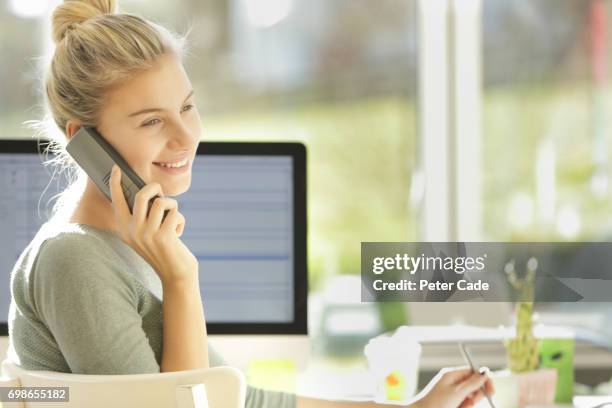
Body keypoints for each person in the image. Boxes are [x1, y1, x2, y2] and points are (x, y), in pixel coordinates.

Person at [6, 1, 495, 407]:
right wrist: (181, 278)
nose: (186, 137)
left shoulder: (128, 244)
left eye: (187, 107)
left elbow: (232, 397)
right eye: (151, 122)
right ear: (83, 139)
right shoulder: (75, 260)